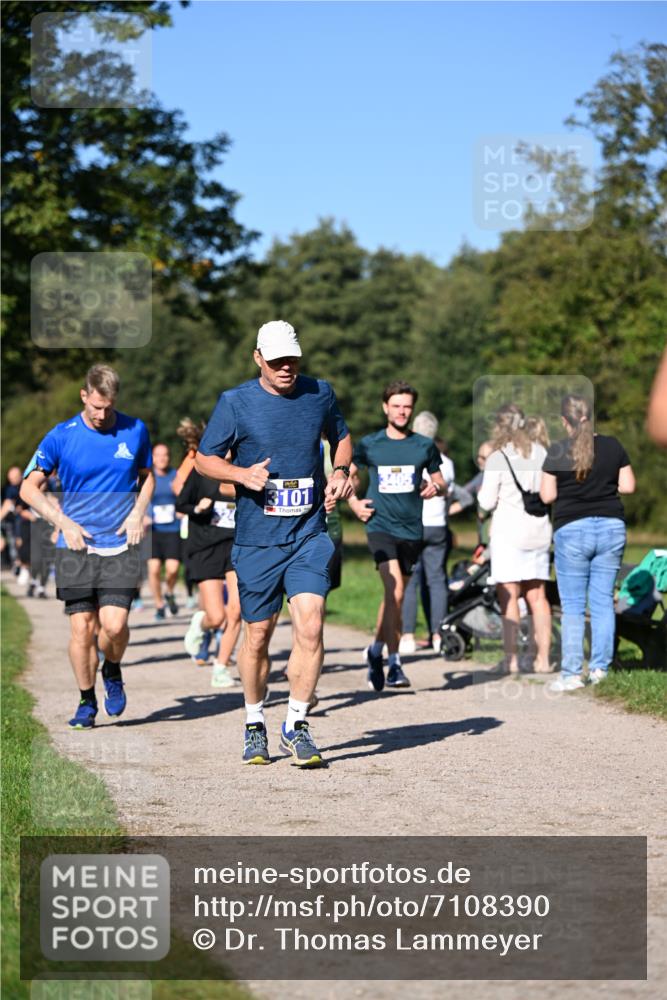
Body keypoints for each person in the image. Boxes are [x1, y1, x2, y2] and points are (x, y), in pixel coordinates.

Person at [195, 320, 353, 766]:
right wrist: (241, 474)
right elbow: (205, 459)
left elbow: (340, 437)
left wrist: (340, 471)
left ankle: (297, 722)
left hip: (308, 532)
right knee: (258, 635)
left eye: (293, 359)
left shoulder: (319, 393)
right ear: (258, 358)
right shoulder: (235, 402)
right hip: (257, 542)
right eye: (277, 360)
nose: (287, 367)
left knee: (311, 623)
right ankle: (253, 721)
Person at [19, 364, 153, 729]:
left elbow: (148, 477)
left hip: (120, 542)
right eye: (95, 406)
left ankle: (111, 668)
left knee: (114, 625)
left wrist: (138, 512)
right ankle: (86, 701)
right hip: (75, 545)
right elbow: (28, 489)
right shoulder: (61, 436)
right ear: (84, 395)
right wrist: (63, 522)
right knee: (81, 628)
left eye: (108, 407)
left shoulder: (135, 429)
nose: (102, 414)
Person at [349, 382, 446, 691]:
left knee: (395, 596)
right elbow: (347, 473)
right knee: (396, 591)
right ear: (385, 407)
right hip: (379, 526)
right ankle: (393, 663)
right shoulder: (370, 444)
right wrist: (353, 503)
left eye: (407, 406)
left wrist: (436, 487)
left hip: (412, 531)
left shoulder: (423, 446)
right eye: (397, 405)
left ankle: (378, 654)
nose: (402, 411)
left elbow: (440, 478)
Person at [540, 394, 635, 691]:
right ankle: (599, 670)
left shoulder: (556, 450)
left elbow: (547, 496)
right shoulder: (613, 445)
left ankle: (570, 674)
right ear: (590, 416)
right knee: (603, 601)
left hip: (572, 530)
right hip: (611, 527)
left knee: (573, 606)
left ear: (563, 420)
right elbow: (628, 486)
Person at [477, 403, 553, 674]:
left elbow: (485, 501)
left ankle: (511, 661)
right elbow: (548, 494)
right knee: (538, 597)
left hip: (509, 534)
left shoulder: (499, 457)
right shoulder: (542, 452)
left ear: (500, 426)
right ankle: (542, 659)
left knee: (509, 597)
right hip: (540, 531)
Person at [177, 462, 242, 688]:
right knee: (217, 617)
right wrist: (197, 509)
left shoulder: (245, 470)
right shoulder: (201, 471)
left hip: (236, 546)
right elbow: (181, 504)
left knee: (236, 611)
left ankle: (221, 667)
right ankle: (201, 623)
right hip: (206, 547)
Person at [400, 412, 453, 655]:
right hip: (438, 525)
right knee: (437, 580)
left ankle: (408, 636)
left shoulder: (409, 456)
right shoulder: (446, 462)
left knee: (410, 581)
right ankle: (438, 635)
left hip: (413, 524)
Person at [174, 417, 206, 609]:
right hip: (195, 518)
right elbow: (177, 484)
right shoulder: (193, 458)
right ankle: (202, 610)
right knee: (194, 561)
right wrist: (193, 503)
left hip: (223, 520)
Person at [147, 443, 181, 620]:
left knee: (173, 569)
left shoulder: (175, 475)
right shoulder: (147, 476)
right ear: (152, 457)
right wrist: (144, 516)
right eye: (158, 455)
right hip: (152, 530)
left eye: (165, 455)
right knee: (153, 570)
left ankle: (169, 591)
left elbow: (184, 497)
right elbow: (140, 499)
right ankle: (159, 604)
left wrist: (182, 510)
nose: (162, 458)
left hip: (173, 528)